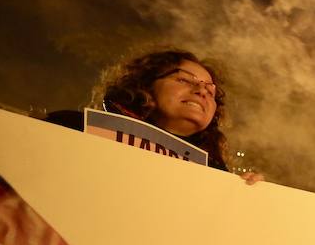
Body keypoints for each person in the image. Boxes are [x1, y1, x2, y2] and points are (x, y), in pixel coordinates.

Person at [46, 49, 257, 178]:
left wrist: (249, 195)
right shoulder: (70, 129)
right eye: (184, 80)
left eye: (210, 91)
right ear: (145, 85)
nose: (202, 91)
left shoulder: (218, 178)